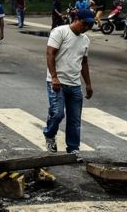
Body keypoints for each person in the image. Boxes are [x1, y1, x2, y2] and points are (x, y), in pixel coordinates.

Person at [44, 9, 94, 157]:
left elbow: (84, 62)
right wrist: (54, 77)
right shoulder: (60, 32)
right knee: (58, 113)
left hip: (75, 84)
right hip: (57, 82)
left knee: (74, 119)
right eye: (85, 24)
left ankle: (73, 148)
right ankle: (49, 134)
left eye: (90, 25)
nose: (86, 28)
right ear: (76, 19)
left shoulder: (85, 40)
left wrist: (88, 84)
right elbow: (50, 54)